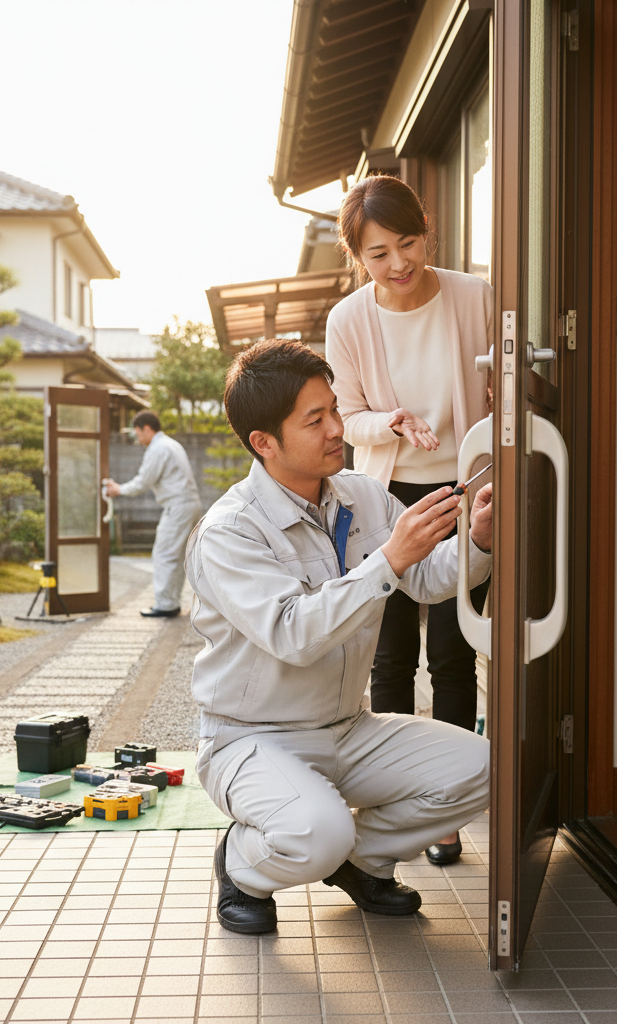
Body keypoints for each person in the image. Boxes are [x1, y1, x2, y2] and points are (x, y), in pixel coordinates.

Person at [186, 339, 493, 934]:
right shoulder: (230, 533)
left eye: (334, 411)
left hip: (348, 729)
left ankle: (363, 862)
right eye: (316, 419)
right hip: (251, 740)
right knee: (317, 831)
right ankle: (242, 866)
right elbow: (293, 633)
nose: (337, 429)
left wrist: (478, 538)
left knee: (485, 766)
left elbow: (427, 579)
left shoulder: (361, 493)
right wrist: (390, 559)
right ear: (264, 443)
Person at [325, 174, 492, 866]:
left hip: (462, 491)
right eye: (377, 254)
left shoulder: (476, 296)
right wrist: (386, 420)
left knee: (454, 653)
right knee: (390, 655)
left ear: (427, 230)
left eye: (408, 243)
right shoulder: (348, 320)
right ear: (357, 257)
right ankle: (391, 806)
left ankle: (443, 813)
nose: (397, 264)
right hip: (387, 497)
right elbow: (346, 414)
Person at [105, 411, 201, 618]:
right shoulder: (171, 444)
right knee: (176, 556)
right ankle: (171, 602)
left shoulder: (158, 448)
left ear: (147, 429)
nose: (137, 439)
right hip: (187, 504)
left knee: (164, 554)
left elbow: (143, 481)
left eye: (137, 433)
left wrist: (118, 489)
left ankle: (166, 604)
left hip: (177, 506)